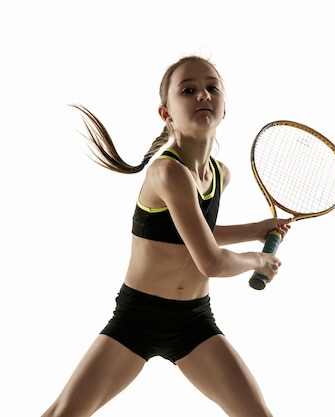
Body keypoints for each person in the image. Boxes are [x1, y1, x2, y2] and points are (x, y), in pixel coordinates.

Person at [41, 55, 292, 417]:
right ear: (166, 113)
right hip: (138, 318)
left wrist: (256, 230)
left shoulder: (220, 175)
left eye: (211, 87)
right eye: (188, 90)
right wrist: (259, 259)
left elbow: (192, 235)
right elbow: (210, 261)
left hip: (192, 322)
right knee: (64, 413)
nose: (203, 95)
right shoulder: (168, 172)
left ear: (224, 108)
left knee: (256, 413)